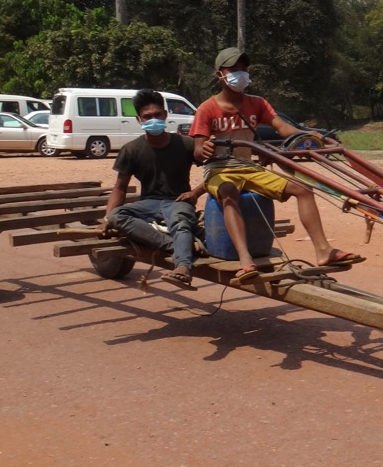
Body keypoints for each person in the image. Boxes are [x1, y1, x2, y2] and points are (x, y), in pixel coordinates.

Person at [191, 47, 361, 285]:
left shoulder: (257, 103)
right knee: (228, 192)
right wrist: (205, 149)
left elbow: (282, 128)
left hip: (249, 167)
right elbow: (198, 149)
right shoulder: (207, 108)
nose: (240, 74)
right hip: (219, 170)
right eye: (233, 70)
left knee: (303, 189)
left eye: (244, 69)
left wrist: (307, 134)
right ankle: (245, 258)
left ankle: (324, 250)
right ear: (219, 74)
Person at [99, 89, 202, 289]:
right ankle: (175, 245)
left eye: (157, 115)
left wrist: (196, 192)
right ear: (139, 120)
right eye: (147, 117)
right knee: (116, 216)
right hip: (148, 204)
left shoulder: (185, 144)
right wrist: (106, 219)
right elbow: (120, 187)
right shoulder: (131, 149)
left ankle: (183, 267)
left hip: (178, 201)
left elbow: (215, 170)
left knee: (181, 222)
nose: (153, 120)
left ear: (165, 115)